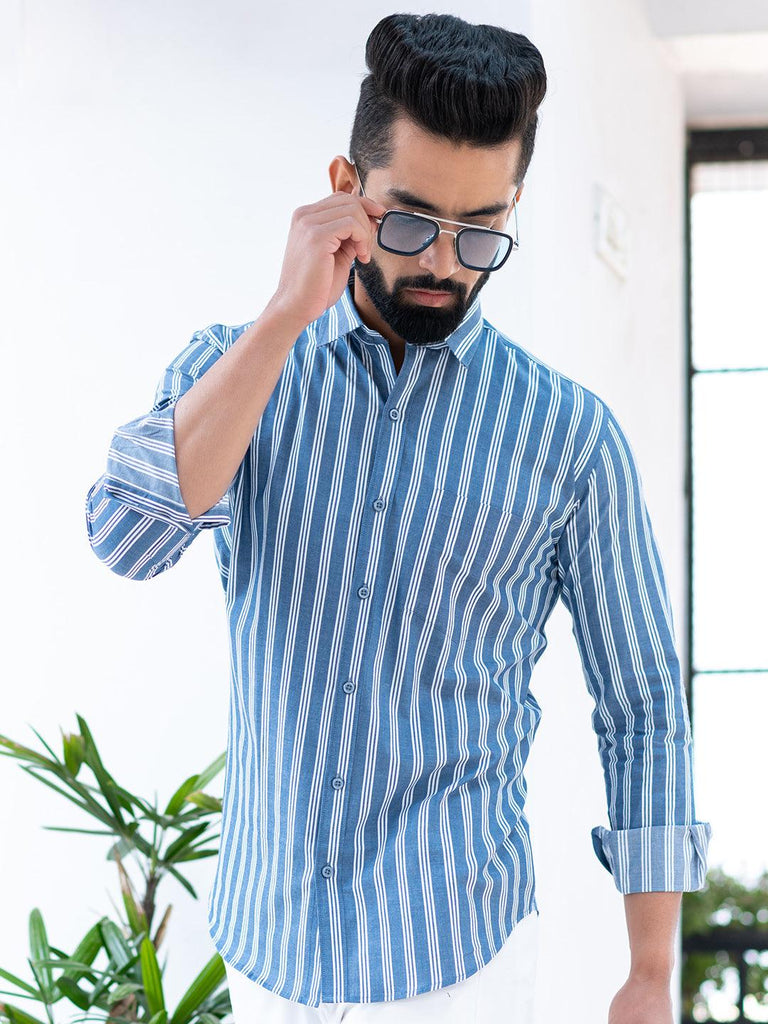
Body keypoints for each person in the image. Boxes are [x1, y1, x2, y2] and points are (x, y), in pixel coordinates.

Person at [84, 12, 712, 1023]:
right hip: (268, 947)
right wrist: (283, 319)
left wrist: (649, 971)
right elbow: (126, 539)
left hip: (456, 959)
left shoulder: (569, 437)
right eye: (411, 223)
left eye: (481, 232)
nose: (444, 265)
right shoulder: (234, 369)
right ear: (346, 190)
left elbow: (641, 705)